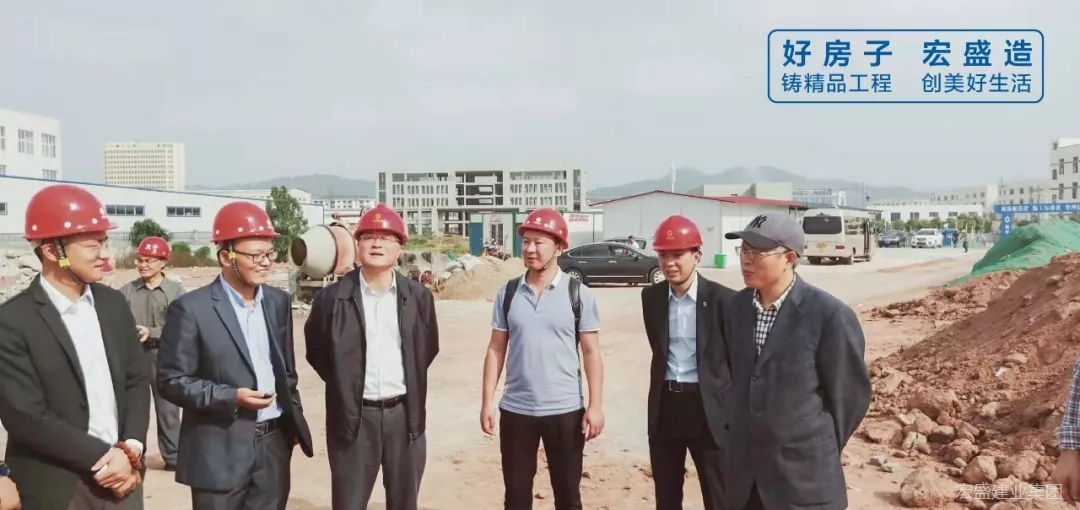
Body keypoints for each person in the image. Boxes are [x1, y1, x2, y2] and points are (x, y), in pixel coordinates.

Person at [0, 184, 150, 509]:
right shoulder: (12, 321)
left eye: (105, 242)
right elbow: (24, 415)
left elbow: (136, 380)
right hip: (58, 487)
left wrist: (131, 449)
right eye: (94, 245)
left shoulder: (113, 304)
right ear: (52, 251)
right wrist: (105, 457)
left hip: (124, 480)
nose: (105, 254)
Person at [157, 201, 314, 510]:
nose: (266, 263)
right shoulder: (192, 309)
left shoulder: (277, 302)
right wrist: (232, 396)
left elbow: (286, 370)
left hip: (272, 448)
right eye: (255, 256)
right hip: (219, 451)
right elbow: (171, 381)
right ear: (226, 257)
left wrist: (291, 420)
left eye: (270, 254)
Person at [721, 212, 871, 510]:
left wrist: (810, 444)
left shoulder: (829, 316)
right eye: (743, 250)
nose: (746, 260)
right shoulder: (735, 308)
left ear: (789, 258)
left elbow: (851, 398)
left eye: (756, 253)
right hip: (746, 482)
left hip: (804, 482)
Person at [305, 204, 440, 510]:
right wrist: (346, 383)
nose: (377, 244)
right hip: (353, 420)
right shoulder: (331, 299)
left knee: (404, 502)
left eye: (386, 237)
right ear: (358, 244)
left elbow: (427, 349)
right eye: (369, 237)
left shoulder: (418, 298)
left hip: (405, 418)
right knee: (349, 503)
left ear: (400, 247)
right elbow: (317, 353)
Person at [480, 207, 605, 510]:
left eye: (539, 242)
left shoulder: (578, 294)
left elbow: (591, 353)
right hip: (517, 411)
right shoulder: (508, 293)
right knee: (516, 497)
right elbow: (496, 348)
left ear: (559, 248)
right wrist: (486, 401)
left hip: (565, 411)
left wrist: (595, 405)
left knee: (568, 497)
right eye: (526, 242)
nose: (530, 249)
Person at [641, 215, 735, 510]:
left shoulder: (725, 301)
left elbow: (735, 361)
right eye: (663, 255)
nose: (669, 263)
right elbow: (658, 348)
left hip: (708, 409)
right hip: (667, 406)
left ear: (696, 255)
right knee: (667, 496)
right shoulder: (651, 297)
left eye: (677, 255)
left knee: (718, 495)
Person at [119, 236, 186, 471]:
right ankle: (134, 457)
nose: (143, 265)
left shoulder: (175, 292)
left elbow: (181, 326)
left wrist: (153, 332)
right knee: (133, 407)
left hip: (164, 355)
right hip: (134, 356)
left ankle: (174, 458)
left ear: (163, 262)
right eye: (140, 260)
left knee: (167, 409)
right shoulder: (126, 291)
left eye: (149, 260)